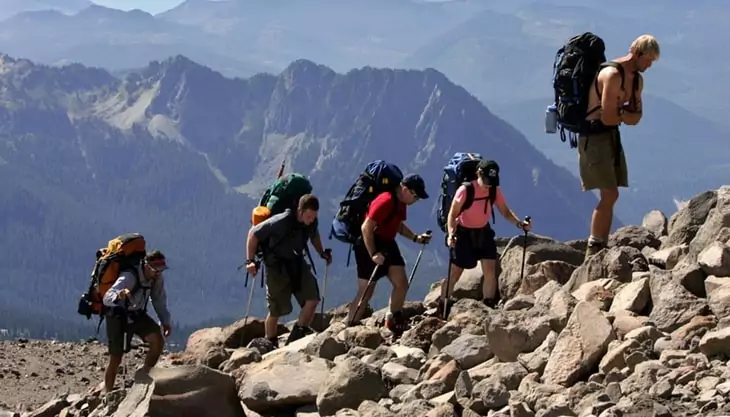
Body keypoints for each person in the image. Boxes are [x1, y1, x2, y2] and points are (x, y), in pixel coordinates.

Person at [579, 34, 660, 257]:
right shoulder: (612, 75)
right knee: (610, 193)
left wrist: (621, 114)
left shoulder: (636, 80)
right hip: (594, 137)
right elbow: (608, 117)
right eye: (647, 60)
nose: (649, 65)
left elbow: (635, 117)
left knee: (611, 194)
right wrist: (624, 114)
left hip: (610, 137)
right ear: (636, 52)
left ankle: (600, 244)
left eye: (652, 61)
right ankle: (594, 246)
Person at [434, 159, 531, 316]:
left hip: (483, 232)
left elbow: (505, 211)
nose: (488, 185)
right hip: (463, 233)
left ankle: (488, 306)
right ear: (478, 174)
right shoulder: (465, 190)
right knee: (455, 273)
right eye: (486, 181)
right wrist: (451, 234)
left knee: (490, 271)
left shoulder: (494, 190)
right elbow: (452, 214)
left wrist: (520, 224)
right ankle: (443, 305)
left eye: (492, 181)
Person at [344, 174, 432, 335]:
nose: (416, 200)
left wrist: (415, 238)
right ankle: (351, 325)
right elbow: (366, 227)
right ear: (405, 189)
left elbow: (397, 224)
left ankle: (393, 319)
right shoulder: (385, 200)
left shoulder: (401, 203)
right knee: (367, 290)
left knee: (401, 283)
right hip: (367, 244)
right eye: (415, 195)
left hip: (387, 243)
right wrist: (373, 254)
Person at [245, 194, 332, 347]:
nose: (312, 220)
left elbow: (314, 235)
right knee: (276, 310)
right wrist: (250, 261)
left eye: (314, 217)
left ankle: (298, 335)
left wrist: (321, 252)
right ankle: (270, 342)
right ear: (300, 210)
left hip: (296, 261)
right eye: (309, 216)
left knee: (312, 299)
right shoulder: (282, 220)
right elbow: (254, 234)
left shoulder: (311, 222)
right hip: (276, 266)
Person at [102, 250, 172, 394]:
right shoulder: (129, 276)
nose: (158, 273)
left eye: (161, 270)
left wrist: (165, 321)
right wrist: (118, 295)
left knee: (157, 340)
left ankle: (144, 377)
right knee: (116, 357)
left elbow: (158, 300)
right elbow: (107, 298)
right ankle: (107, 393)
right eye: (155, 270)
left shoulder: (156, 278)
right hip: (117, 315)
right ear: (146, 265)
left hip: (137, 313)